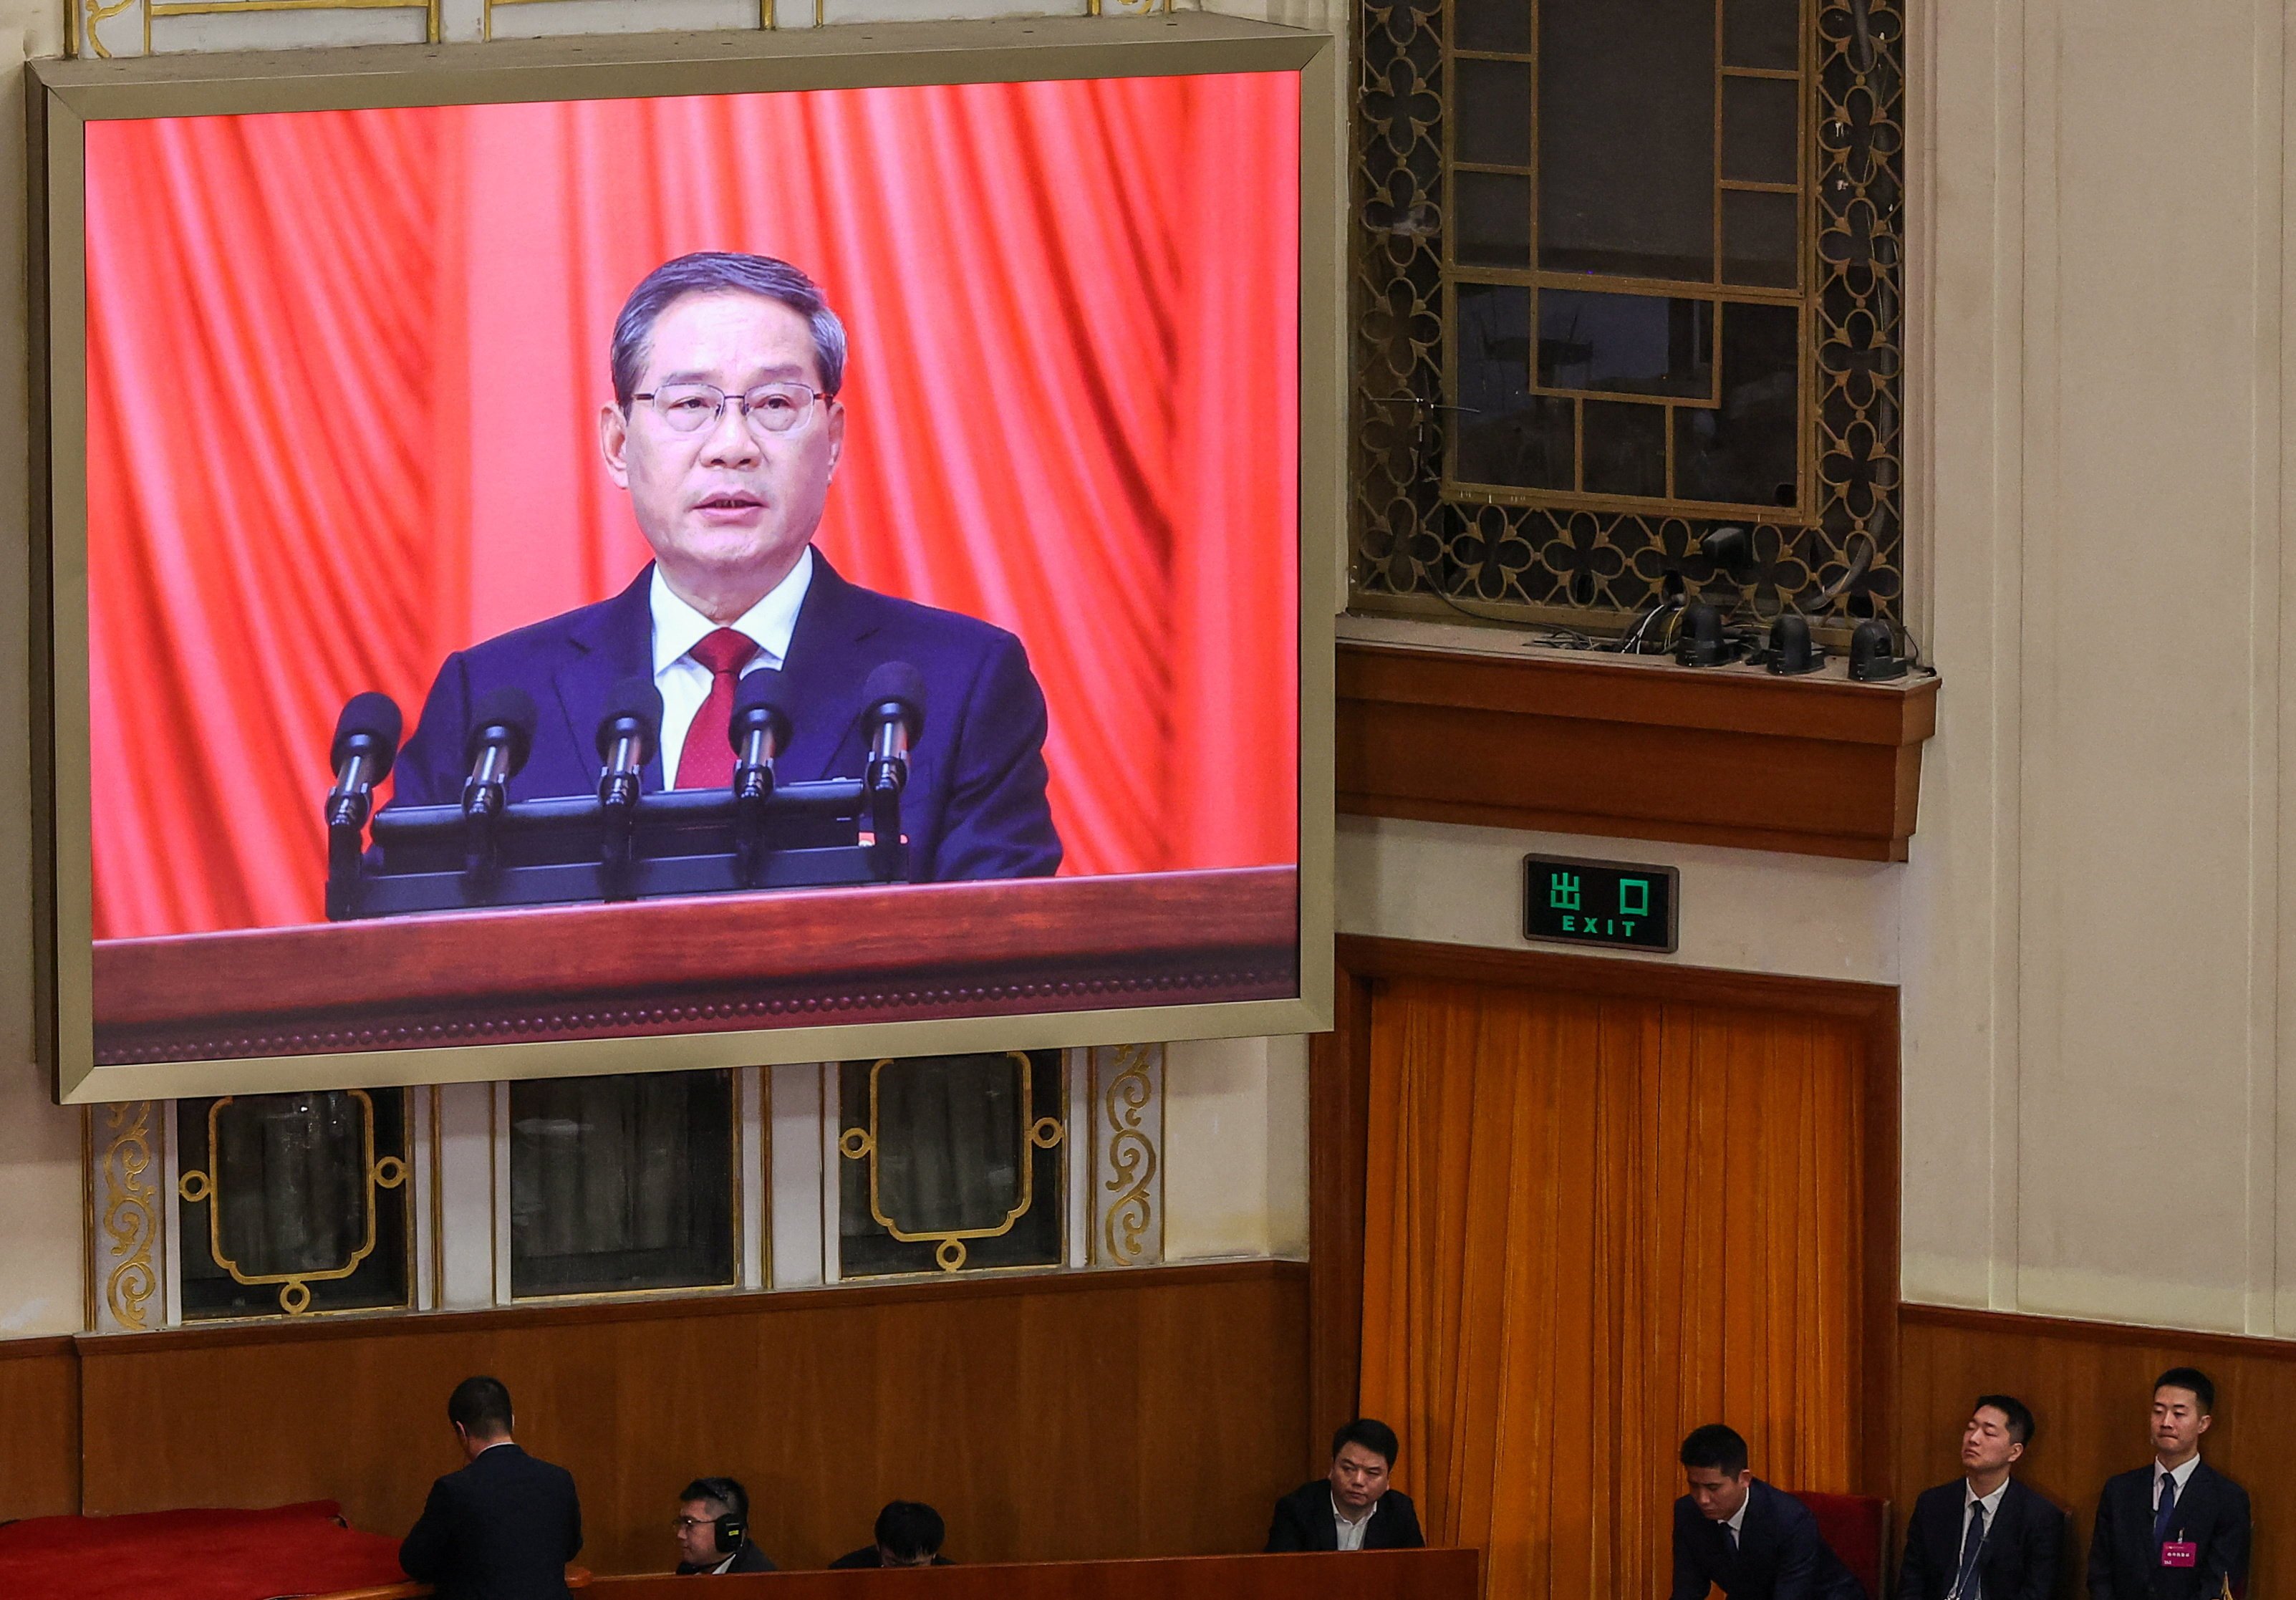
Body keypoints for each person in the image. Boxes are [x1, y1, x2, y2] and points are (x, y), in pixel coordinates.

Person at [391, 251, 1062, 884]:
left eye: (774, 405)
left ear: (831, 442)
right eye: (690, 405)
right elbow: (401, 954)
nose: (733, 447)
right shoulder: (493, 704)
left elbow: (998, 964)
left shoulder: (963, 685)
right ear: (619, 445)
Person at [400, 1376, 582, 1600]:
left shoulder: (453, 1490)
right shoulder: (559, 1480)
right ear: (512, 1421)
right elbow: (570, 1548)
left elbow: (415, 1562)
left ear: (461, 1431)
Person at [2088, 1367, 2249, 1600]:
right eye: (2158, 1411)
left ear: (2203, 1424)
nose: (2166, 1422)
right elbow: (2099, 1574)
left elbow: (2218, 1584)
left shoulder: (2228, 1499)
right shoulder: (2120, 1490)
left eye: (2179, 1414)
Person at [1669, 1423, 1863, 1600]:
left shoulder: (1791, 1520)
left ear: (1744, 1479)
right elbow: (1688, 1591)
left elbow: (1791, 1595)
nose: (1702, 1499)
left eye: (1713, 1488)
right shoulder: (1688, 1513)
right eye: (1694, 1486)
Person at [1898, 1394, 2063, 1600]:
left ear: (2015, 1452)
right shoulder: (1932, 1505)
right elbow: (1911, 1585)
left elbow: (2037, 1593)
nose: (1973, 1439)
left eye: (1989, 1433)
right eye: (1970, 1428)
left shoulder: (2040, 1517)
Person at [1264, 1417, 1426, 1552]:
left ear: (1388, 1479)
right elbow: (1281, 1576)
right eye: (1348, 1469)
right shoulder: (1296, 1509)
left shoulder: (1399, 1511)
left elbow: (1413, 1574)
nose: (1358, 1481)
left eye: (1372, 1473)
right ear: (1332, 1468)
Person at [673, 1476, 776, 1575]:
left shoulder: (759, 1583)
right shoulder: (688, 1570)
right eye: (681, 1523)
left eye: (690, 1524)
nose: (680, 1535)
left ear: (727, 1530)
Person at [827, 1500, 953, 1568]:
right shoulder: (845, 1575)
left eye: (914, 1566)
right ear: (878, 1546)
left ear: (934, 1554)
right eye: (894, 1563)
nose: (902, 1575)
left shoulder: (956, 1580)